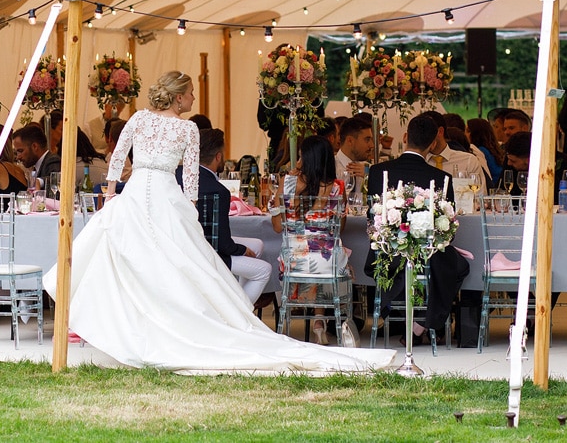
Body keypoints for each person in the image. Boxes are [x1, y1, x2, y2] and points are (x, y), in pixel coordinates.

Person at [42, 70, 395, 373]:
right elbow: (192, 180)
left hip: (135, 192)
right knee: (175, 262)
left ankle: (124, 324)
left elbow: (117, 157)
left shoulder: (137, 118)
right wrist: (189, 211)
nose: (194, 96)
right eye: (191, 92)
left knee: (130, 259)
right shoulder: (187, 130)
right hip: (165, 191)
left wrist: (110, 195)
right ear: (179, 97)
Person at [365, 113, 467, 343]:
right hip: (429, 257)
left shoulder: (377, 171)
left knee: (402, 266)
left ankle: (400, 310)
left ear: (405, 136)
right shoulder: (442, 178)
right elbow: (448, 228)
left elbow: (370, 219)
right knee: (459, 267)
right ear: (433, 144)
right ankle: (422, 321)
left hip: (387, 252)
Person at [180, 128, 271, 304]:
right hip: (207, 251)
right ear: (218, 157)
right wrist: (241, 250)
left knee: (257, 245)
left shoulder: (177, 175)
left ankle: (233, 296)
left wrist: (243, 249)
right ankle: (238, 315)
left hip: (186, 243)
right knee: (264, 270)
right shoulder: (218, 190)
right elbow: (223, 244)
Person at [335, 116, 374, 184]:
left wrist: (370, 176)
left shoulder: (369, 169)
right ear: (350, 141)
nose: (372, 145)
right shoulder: (329, 169)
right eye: (367, 140)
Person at [466, 118, 504, 186]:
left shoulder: (479, 151)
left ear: (476, 133)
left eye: (468, 131)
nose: (464, 134)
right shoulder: (492, 149)